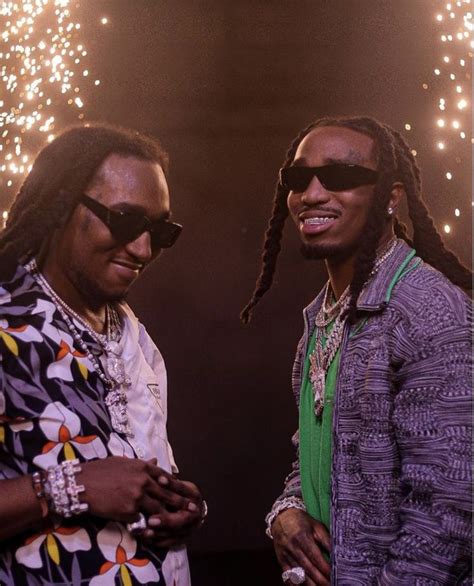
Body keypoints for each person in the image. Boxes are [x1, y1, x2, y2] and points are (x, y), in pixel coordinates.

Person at [241, 116, 472, 585]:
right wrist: (286, 512)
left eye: (341, 176)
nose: (312, 194)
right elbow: (321, 451)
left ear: (391, 197)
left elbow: (449, 514)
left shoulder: (429, 312)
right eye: (298, 178)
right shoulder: (325, 315)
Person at [0, 124, 206, 585]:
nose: (143, 249)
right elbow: (96, 483)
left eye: (160, 231)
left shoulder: (135, 338)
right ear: (61, 205)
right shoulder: (7, 324)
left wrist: (179, 506)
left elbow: (137, 474)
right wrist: (77, 487)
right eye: (126, 220)